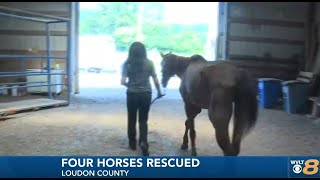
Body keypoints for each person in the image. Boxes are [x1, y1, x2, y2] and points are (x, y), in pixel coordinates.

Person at [121, 41, 164, 156]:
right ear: (144, 51)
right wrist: (159, 91)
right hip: (146, 94)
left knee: (132, 118)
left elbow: (122, 81)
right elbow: (155, 79)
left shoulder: (127, 64)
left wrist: (130, 85)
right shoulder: (149, 63)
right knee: (143, 119)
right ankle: (143, 142)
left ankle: (132, 142)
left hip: (132, 95)